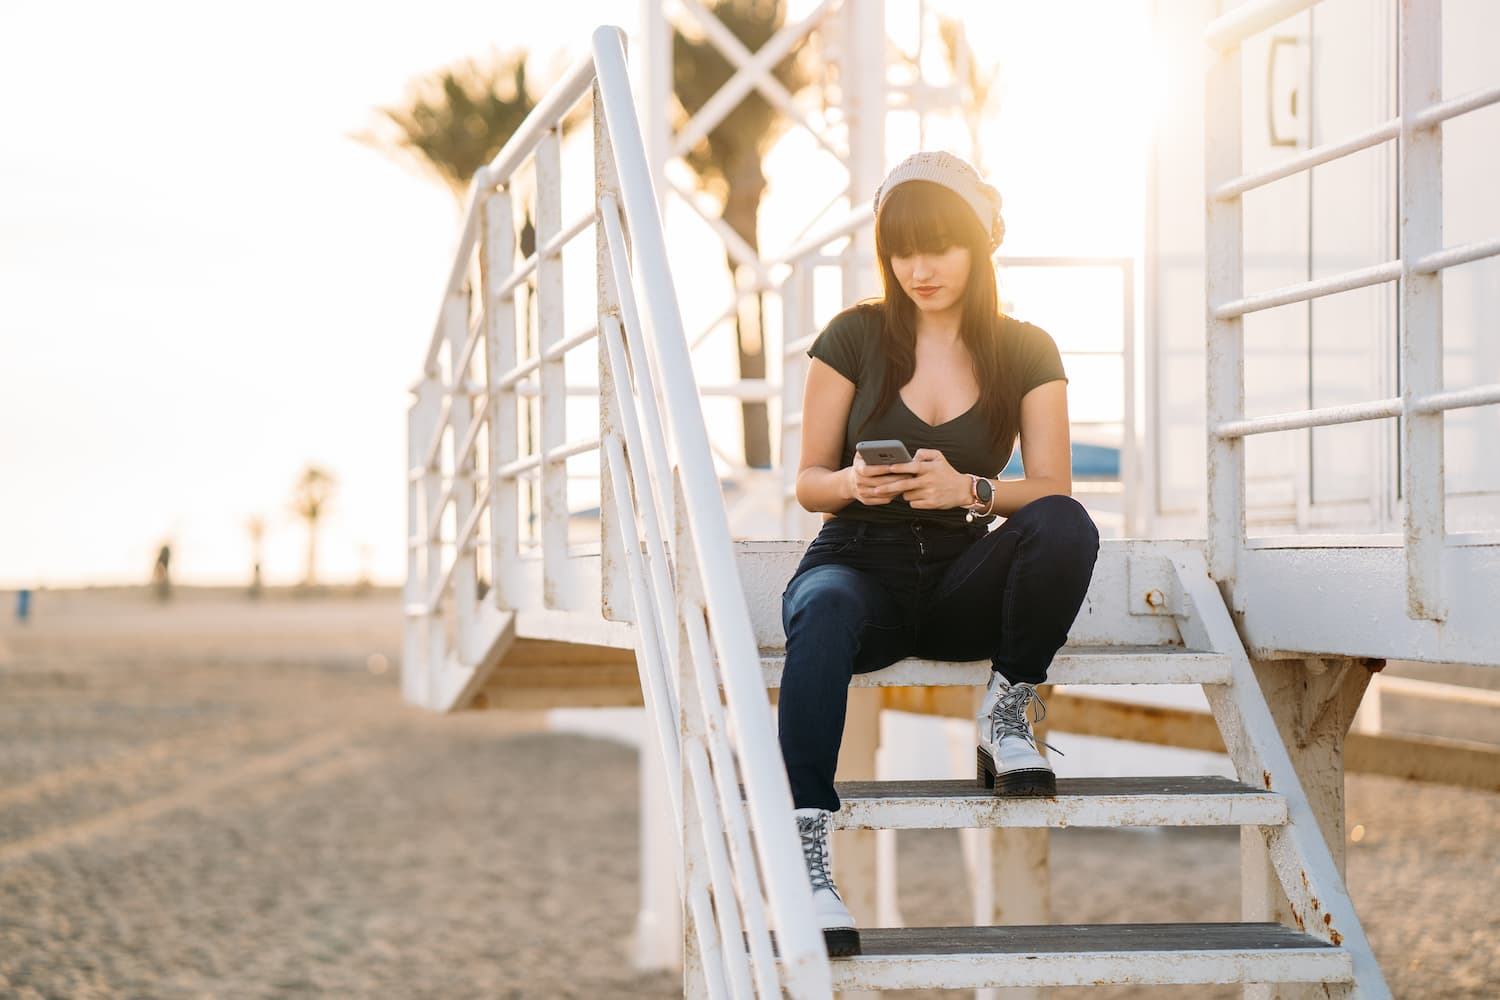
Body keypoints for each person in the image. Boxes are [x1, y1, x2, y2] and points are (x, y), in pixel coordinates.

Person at [780, 151, 1101, 957]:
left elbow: (1054, 485)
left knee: (1066, 525)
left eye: (941, 246)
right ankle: (807, 853)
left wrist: (971, 491)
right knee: (822, 608)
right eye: (901, 249)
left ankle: (1006, 711)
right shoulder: (853, 337)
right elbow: (808, 483)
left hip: (961, 579)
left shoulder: (1026, 349)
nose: (919, 268)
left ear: (979, 244)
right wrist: (855, 482)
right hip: (857, 566)